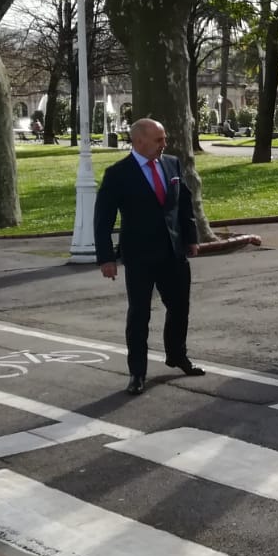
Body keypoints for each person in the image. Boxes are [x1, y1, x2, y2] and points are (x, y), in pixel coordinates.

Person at [93, 118, 204, 395]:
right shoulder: (118, 173)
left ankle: (177, 355)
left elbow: (184, 202)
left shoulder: (172, 164)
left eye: (164, 138)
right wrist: (106, 258)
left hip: (173, 252)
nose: (164, 144)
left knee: (179, 307)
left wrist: (191, 238)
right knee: (139, 315)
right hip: (140, 256)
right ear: (139, 141)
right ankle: (137, 373)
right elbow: (103, 219)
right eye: (159, 140)